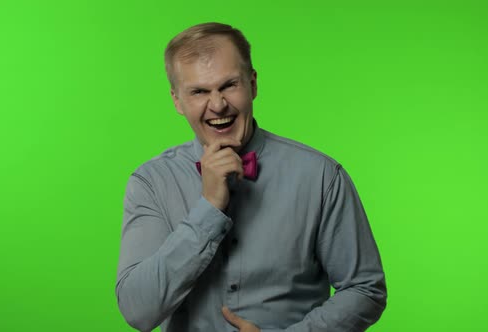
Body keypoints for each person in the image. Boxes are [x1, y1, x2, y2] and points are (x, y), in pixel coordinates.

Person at [116, 22, 387, 332]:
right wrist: (208, 209)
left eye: (229, 85)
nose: (217, 105)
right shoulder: (151, 183)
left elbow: (366, 289)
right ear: (177, 100)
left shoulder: (322, 177)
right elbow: (138, 311)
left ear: (253, 84)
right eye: (199, 92)